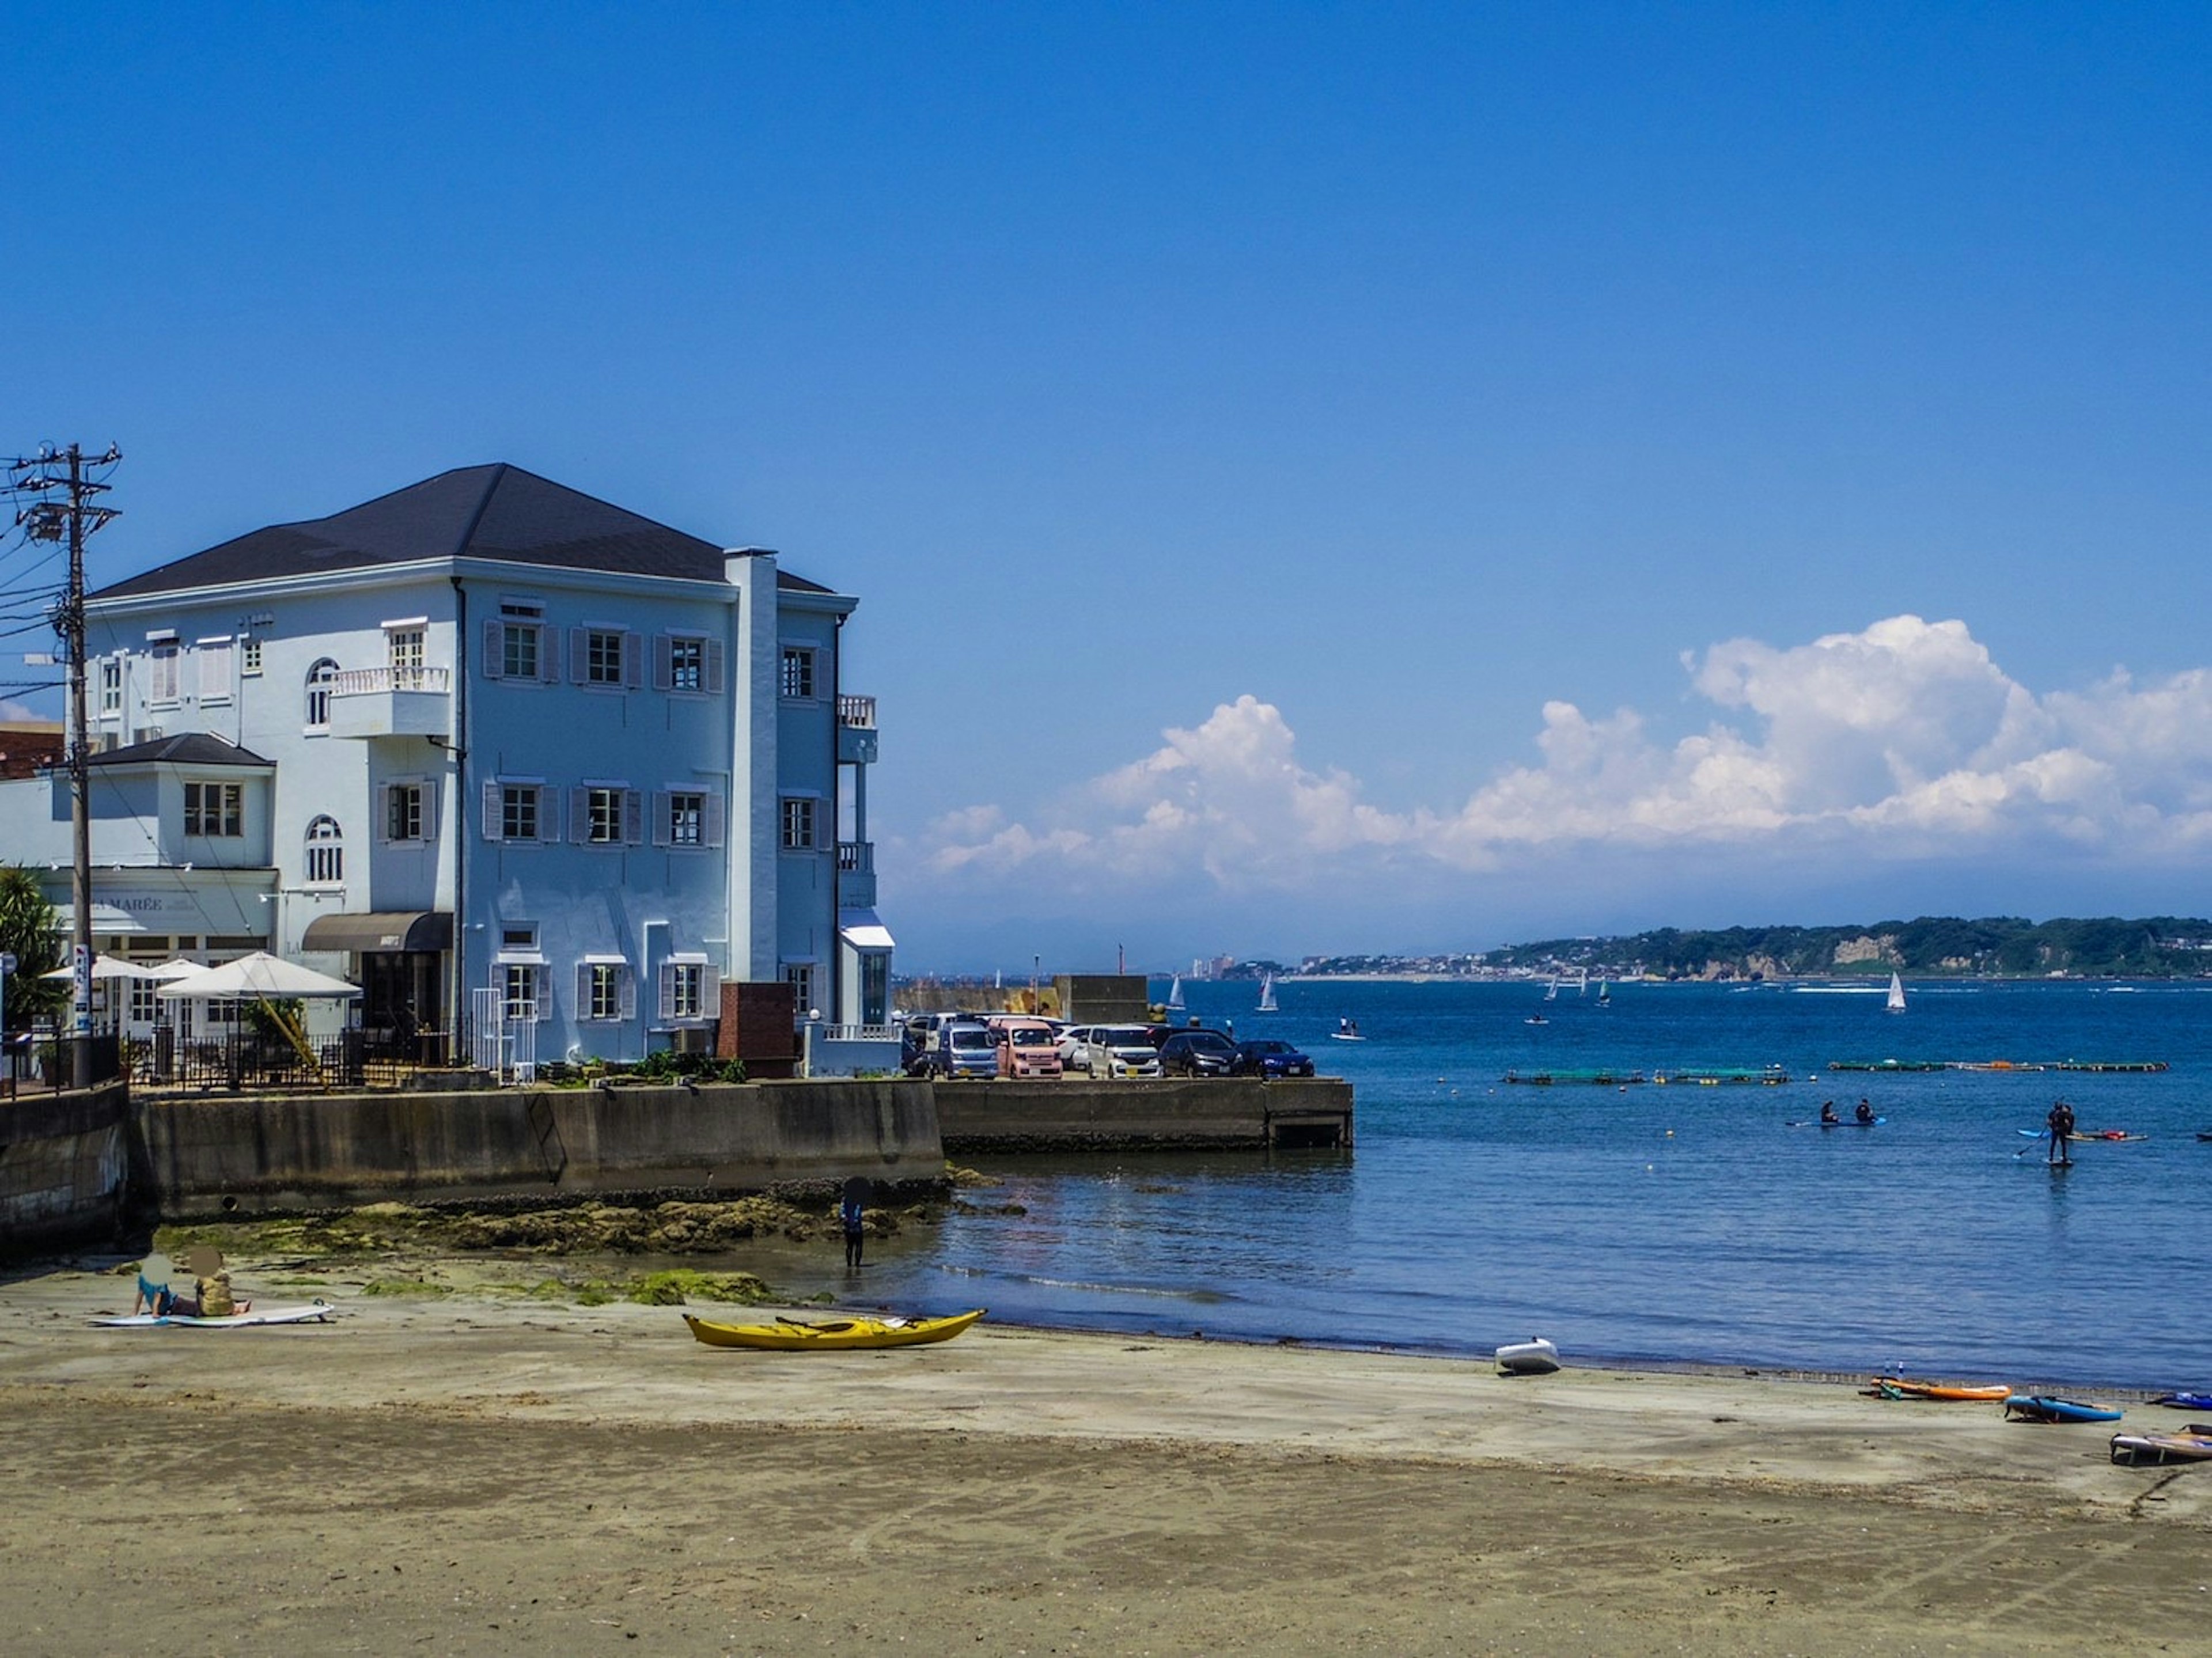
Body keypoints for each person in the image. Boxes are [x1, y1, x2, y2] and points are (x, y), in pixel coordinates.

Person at [840, 1191, 866, 1271]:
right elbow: (858, 1212)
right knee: (858, 1246)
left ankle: (849, 1266)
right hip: (857, 1228)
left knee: (849, 1246)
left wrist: (844, 1218)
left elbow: (842, 1211)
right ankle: (857, 1265)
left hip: (848, 1227)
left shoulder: (845, 1199)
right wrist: (856, 1220)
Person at [2047, 1098, 2076, 1166]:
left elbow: (2049, 1122)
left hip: (2055, 1130)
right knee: (2063, 1144)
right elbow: (2067, 1123)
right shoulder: (2064, 1114)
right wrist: (2067, 1130)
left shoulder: (2052, 1113)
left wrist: (2053, 1128)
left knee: (2053, 1144)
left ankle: (2051, 1158)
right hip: (2062, 1130)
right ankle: (2064, 1158)